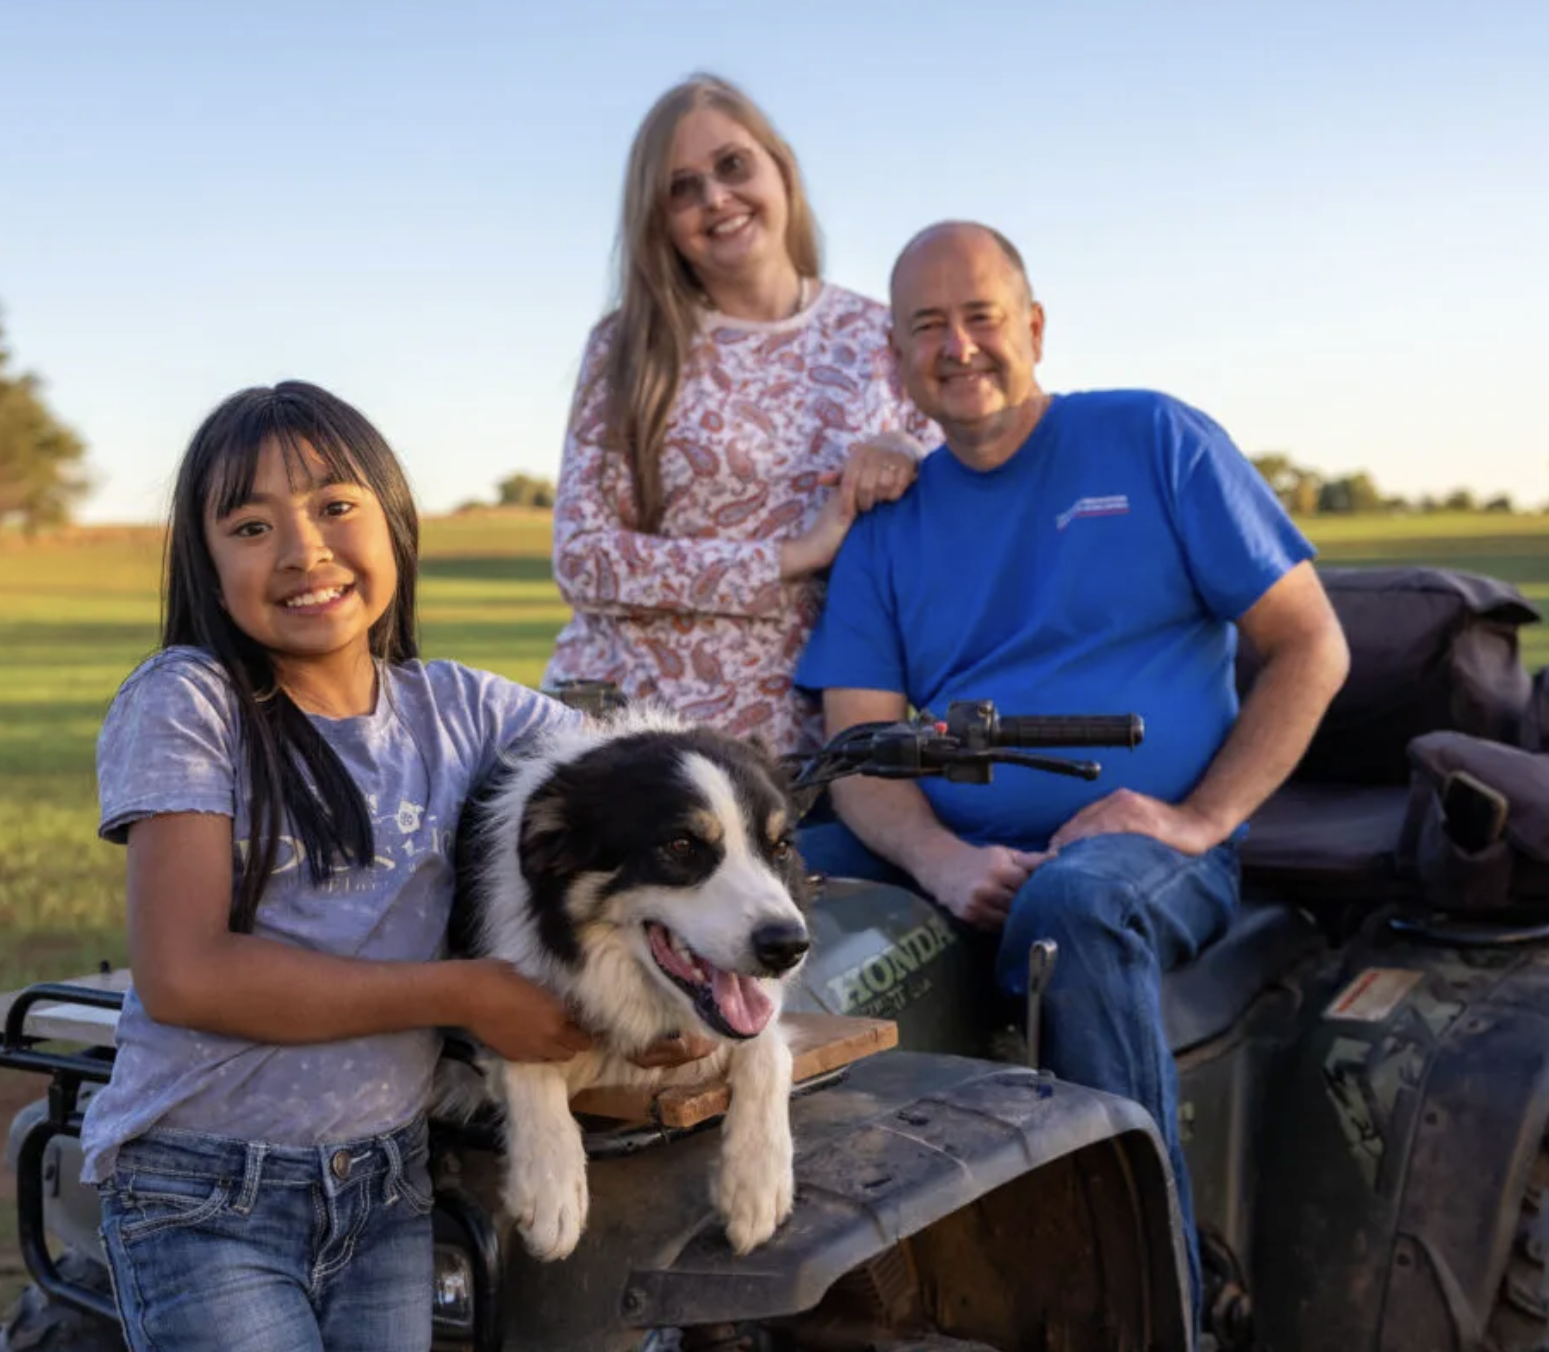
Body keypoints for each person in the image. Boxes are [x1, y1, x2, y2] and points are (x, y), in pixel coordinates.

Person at [795, 221, 1351, 1316]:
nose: (958, 346)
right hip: (954, 850)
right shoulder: (889, 522)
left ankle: (1152, 1306)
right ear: (897, 361)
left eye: (981, 315)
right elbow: (854, 746)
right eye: (926, 328)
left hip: (1139, 850)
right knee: (763, 882)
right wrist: (942, 858)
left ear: (1034, 326)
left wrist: (1199, 819)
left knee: (1072, 907)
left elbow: (1311, 645)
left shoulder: (1153, 439)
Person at [81, 381, 691, 1351]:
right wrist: (465, 992)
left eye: (334, 506)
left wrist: (675, 985)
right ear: (205, 561)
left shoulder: (463, 710)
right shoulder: (189, 700)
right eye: (250, 524)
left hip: (385, 1183)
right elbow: (185, 972)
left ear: (394, 521)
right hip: (203, 1184)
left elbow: (646, 784)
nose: (302, 549)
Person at [545, 73, 935, 756]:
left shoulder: (881, 336)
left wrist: (907, 451)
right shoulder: (629, 346)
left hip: (815, 746)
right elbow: (582, 559)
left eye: (732, 166)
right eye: (681, 187)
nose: (716, 199)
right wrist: (790, 556)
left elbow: (955, 512)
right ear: (659, 219)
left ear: (780, 167)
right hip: (629, 736)